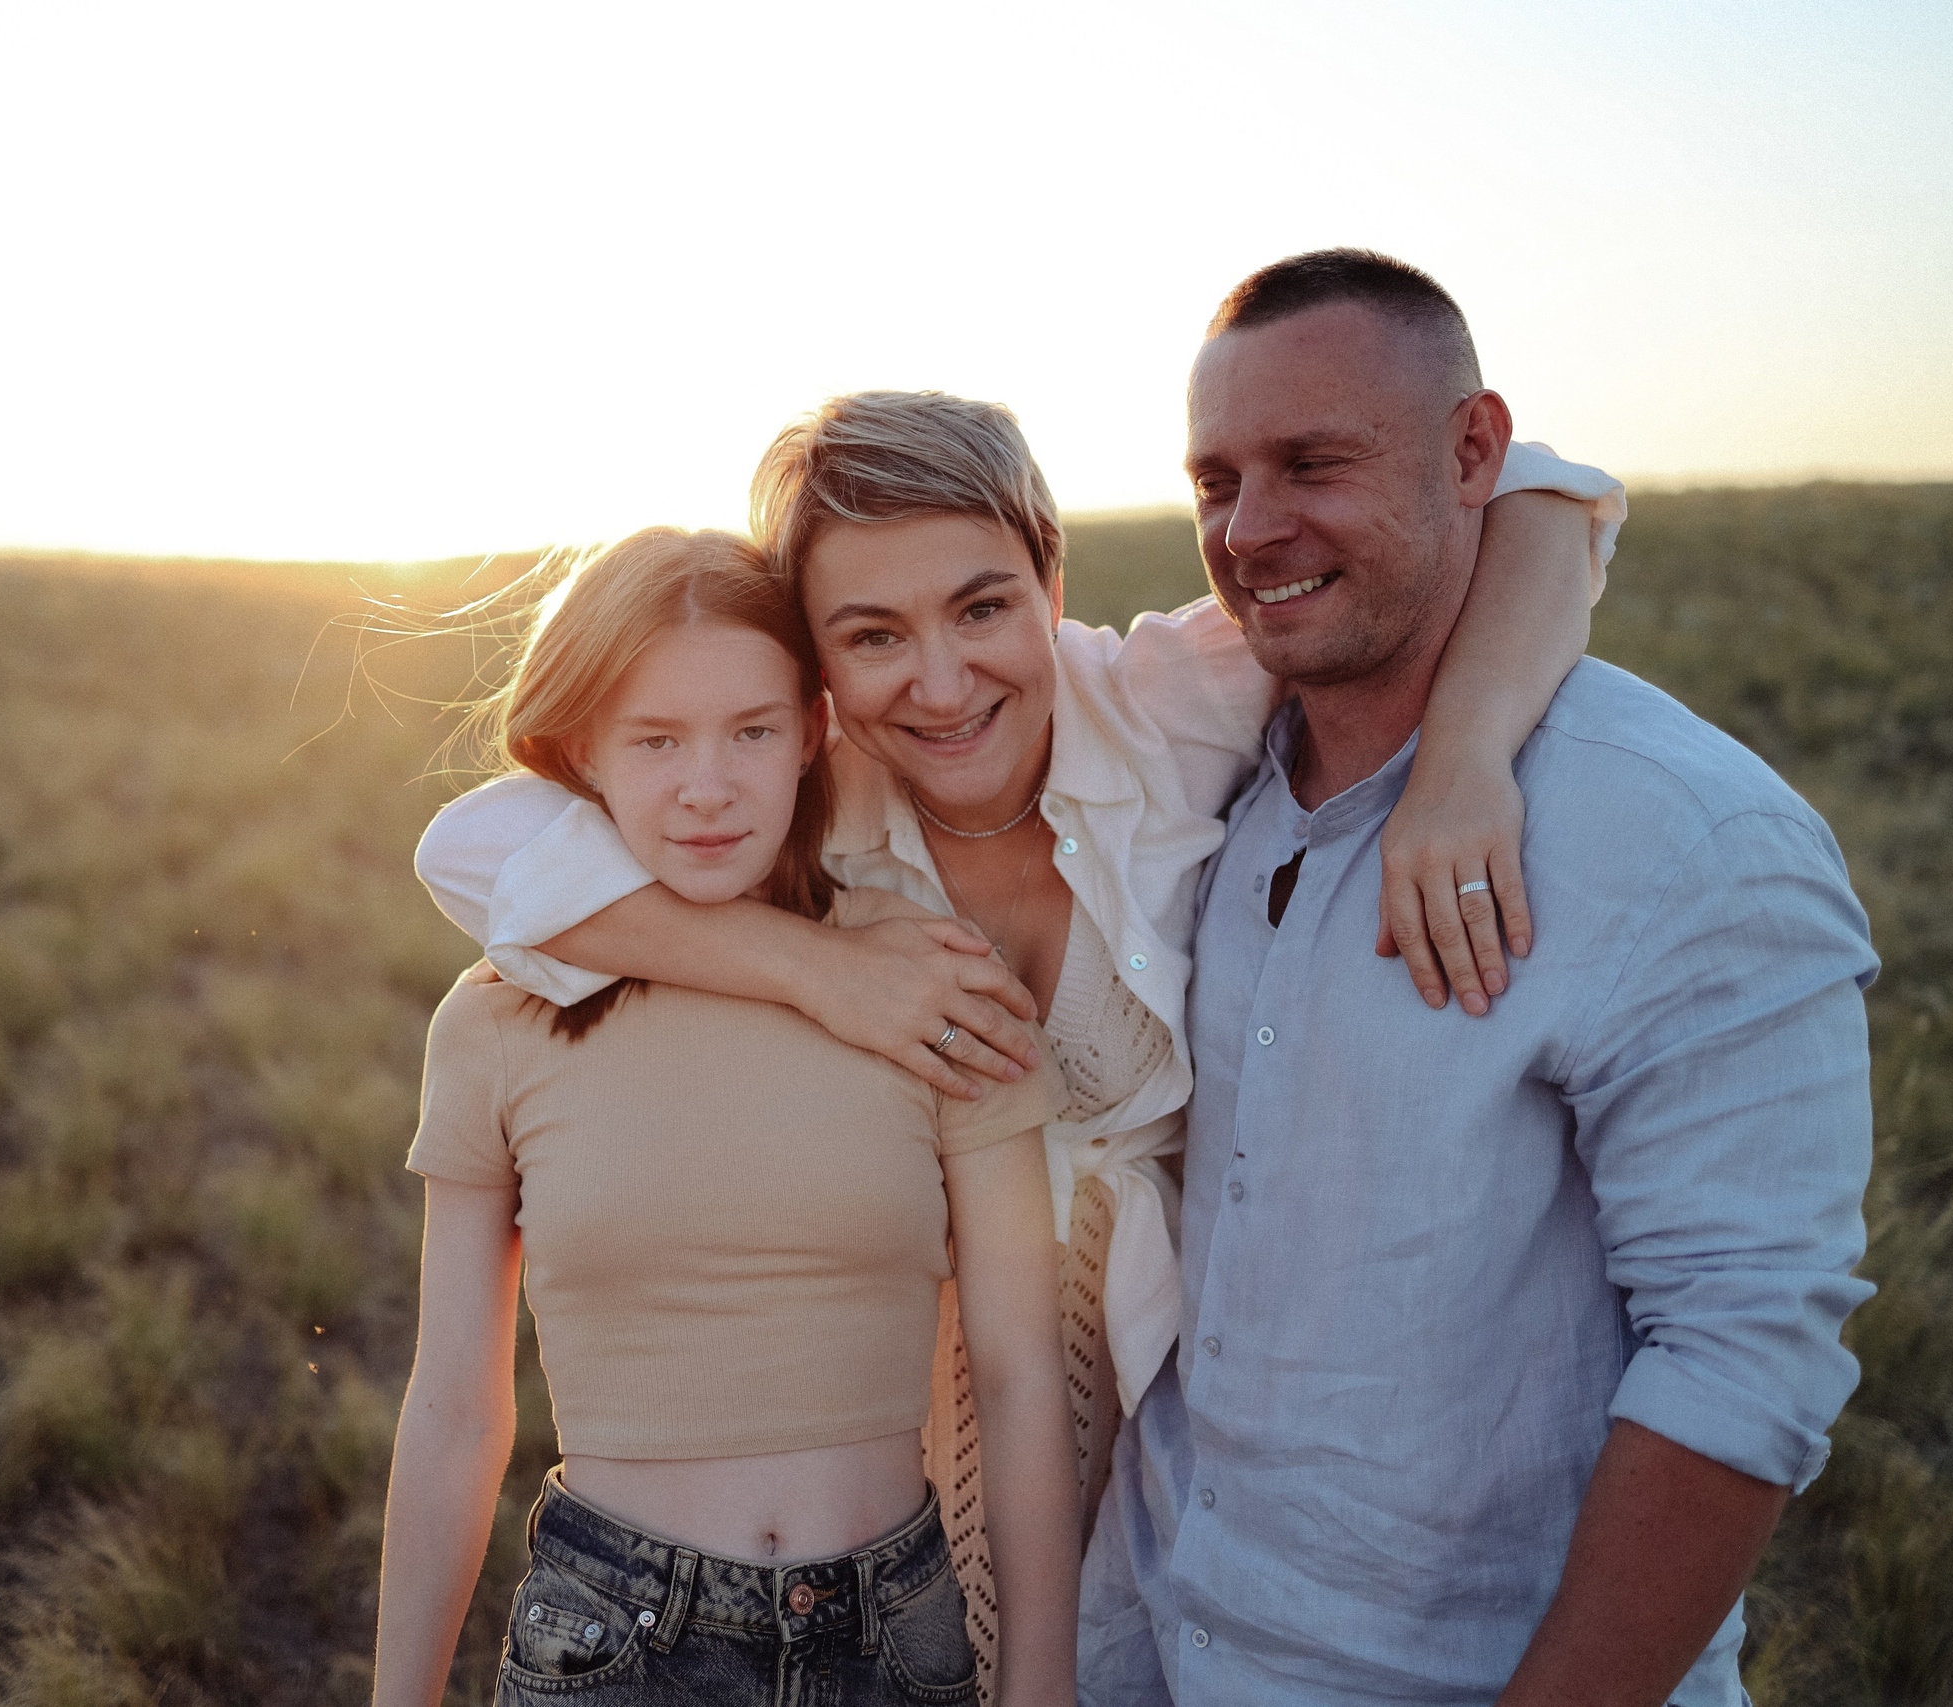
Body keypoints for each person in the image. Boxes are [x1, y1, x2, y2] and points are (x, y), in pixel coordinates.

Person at [414, 387, 1623, 1691]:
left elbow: (1535, 503)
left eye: (983, 608)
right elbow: (469, 845)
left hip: (1208, 1344)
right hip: (933, 1393)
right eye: (872, 636)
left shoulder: (1160, 700)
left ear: (1051, 578)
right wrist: (810, 963)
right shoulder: (803, 788)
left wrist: (1463, 760)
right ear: (816, 670)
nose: (941, 684)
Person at [1076, 249, 1877, 1704]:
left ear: (1470, 454)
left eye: (1313, 463)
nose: (1248, 530)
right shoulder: (1204, 766)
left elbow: (1741, 1361)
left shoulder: (1685, 839)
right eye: (1214, 480)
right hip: (1156, 1642)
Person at [372, 527, 1081, 1707]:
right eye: (655, 740)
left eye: (751, 731)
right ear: (581, 752)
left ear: (812, 730)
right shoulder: (499, 1017)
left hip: (892, 1641)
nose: (707, 788)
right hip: (613, 1642)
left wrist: (1041, 1686)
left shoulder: (933, 984)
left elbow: (1018, 1377)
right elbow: (453, 1408)